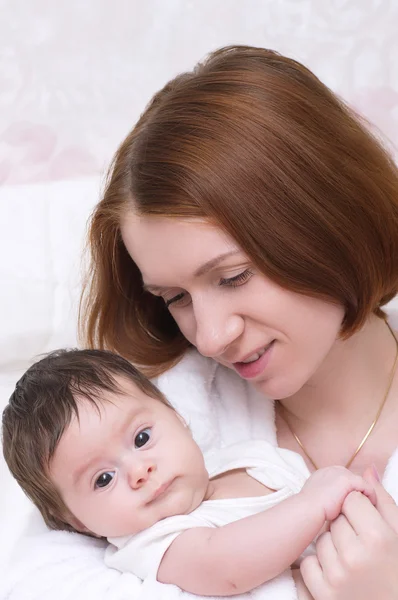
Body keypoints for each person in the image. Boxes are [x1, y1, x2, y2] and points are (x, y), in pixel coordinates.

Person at [4, 45, 398, 600]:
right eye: (175, 298)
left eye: (233, 276)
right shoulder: (159, 411)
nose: (211, 338)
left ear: (328, 221)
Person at [2, 348, 377, 598]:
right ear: (78, 522)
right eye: (103, 479)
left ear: (178, 418)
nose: (139, 471)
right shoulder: (155, 544)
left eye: (142, 437)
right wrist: (313, 503)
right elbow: (226, 564)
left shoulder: (249, 456)